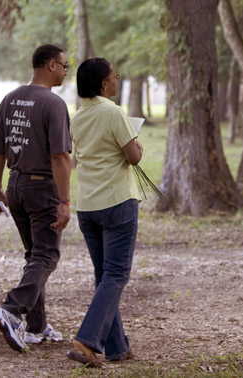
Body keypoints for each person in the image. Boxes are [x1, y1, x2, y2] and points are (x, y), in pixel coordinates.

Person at [0, 44, 72, 353]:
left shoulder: (9, 99)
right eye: (64, 65)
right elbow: (61, 156)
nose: (65, 70)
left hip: (16, 186)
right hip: (42, 188)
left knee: (35, 254)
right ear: (51, 65)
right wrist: (64, 202)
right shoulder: (53, 103)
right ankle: (11, 309)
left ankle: (36, 327)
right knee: (47, 256)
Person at [66, 57, 142, 367]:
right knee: (116, 274)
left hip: (87, 206)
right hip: (117, 202)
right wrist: (137, 144)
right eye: (113, 75)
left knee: (104, 276)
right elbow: (134, 157)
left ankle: (118, 347)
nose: (117, 78)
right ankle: (86, 341)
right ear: (103, 84)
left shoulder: (77, 117)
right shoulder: (113, 112)